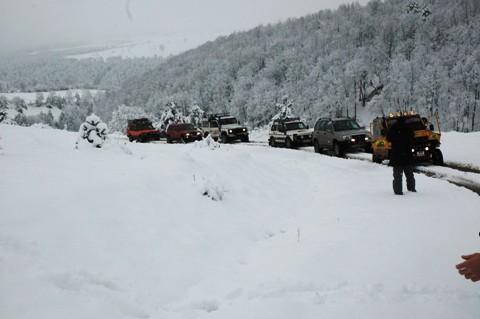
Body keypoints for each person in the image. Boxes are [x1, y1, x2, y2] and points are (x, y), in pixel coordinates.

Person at [386, 116, 416, 195]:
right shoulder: (408, 128)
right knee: (409, 174)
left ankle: (398, 191)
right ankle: (412, 189)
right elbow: (413, 137)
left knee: (398, 175)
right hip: (407, 154)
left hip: (397, 155)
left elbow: (388, 138)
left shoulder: (393, 128)